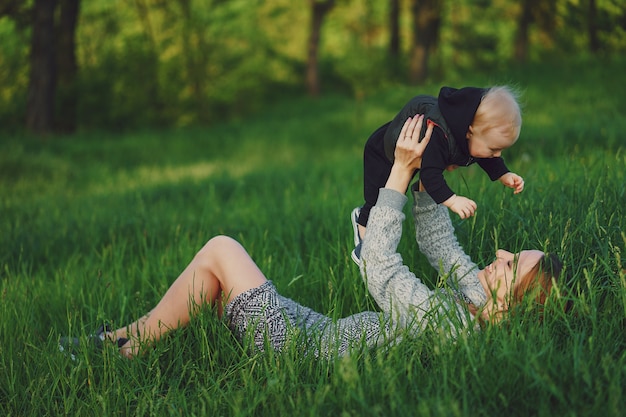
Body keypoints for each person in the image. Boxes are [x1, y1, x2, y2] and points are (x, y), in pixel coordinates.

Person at [59, 116, 563, 361]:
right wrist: (436, 171)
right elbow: (436, 241)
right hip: (315, 332)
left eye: (512, 263)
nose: (500, 254)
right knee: (211, 279)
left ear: (508, 310)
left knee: (221, 249)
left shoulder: (449, 327)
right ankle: (119, 343)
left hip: (299, 353)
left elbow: (382, 271)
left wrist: (400, 175)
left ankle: (120, 349)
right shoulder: (472, 300)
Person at [351, 86, 525, 266]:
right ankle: (363, 235)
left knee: (394, 193)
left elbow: (485, 157)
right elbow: (429, 175)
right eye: (494, 149)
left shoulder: (471, 135)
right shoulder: (439, 136)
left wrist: (503, 174)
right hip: (381, 154)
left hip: (416, 154)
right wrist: (452, 200)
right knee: (377, 200)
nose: (497, 155)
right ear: (469, 131)